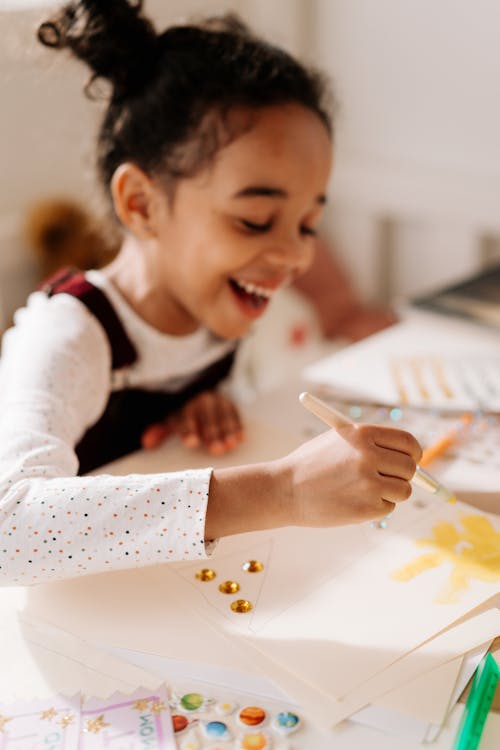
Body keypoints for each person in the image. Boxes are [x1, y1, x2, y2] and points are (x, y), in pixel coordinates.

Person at [0, 1, 421, 586]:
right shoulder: (69, 333)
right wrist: (283, 490)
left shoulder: (213, 306)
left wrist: (199, 407)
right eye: (254, 221)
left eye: (307, 225)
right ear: (142, 204)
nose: (296, 257)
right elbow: (10, 529)